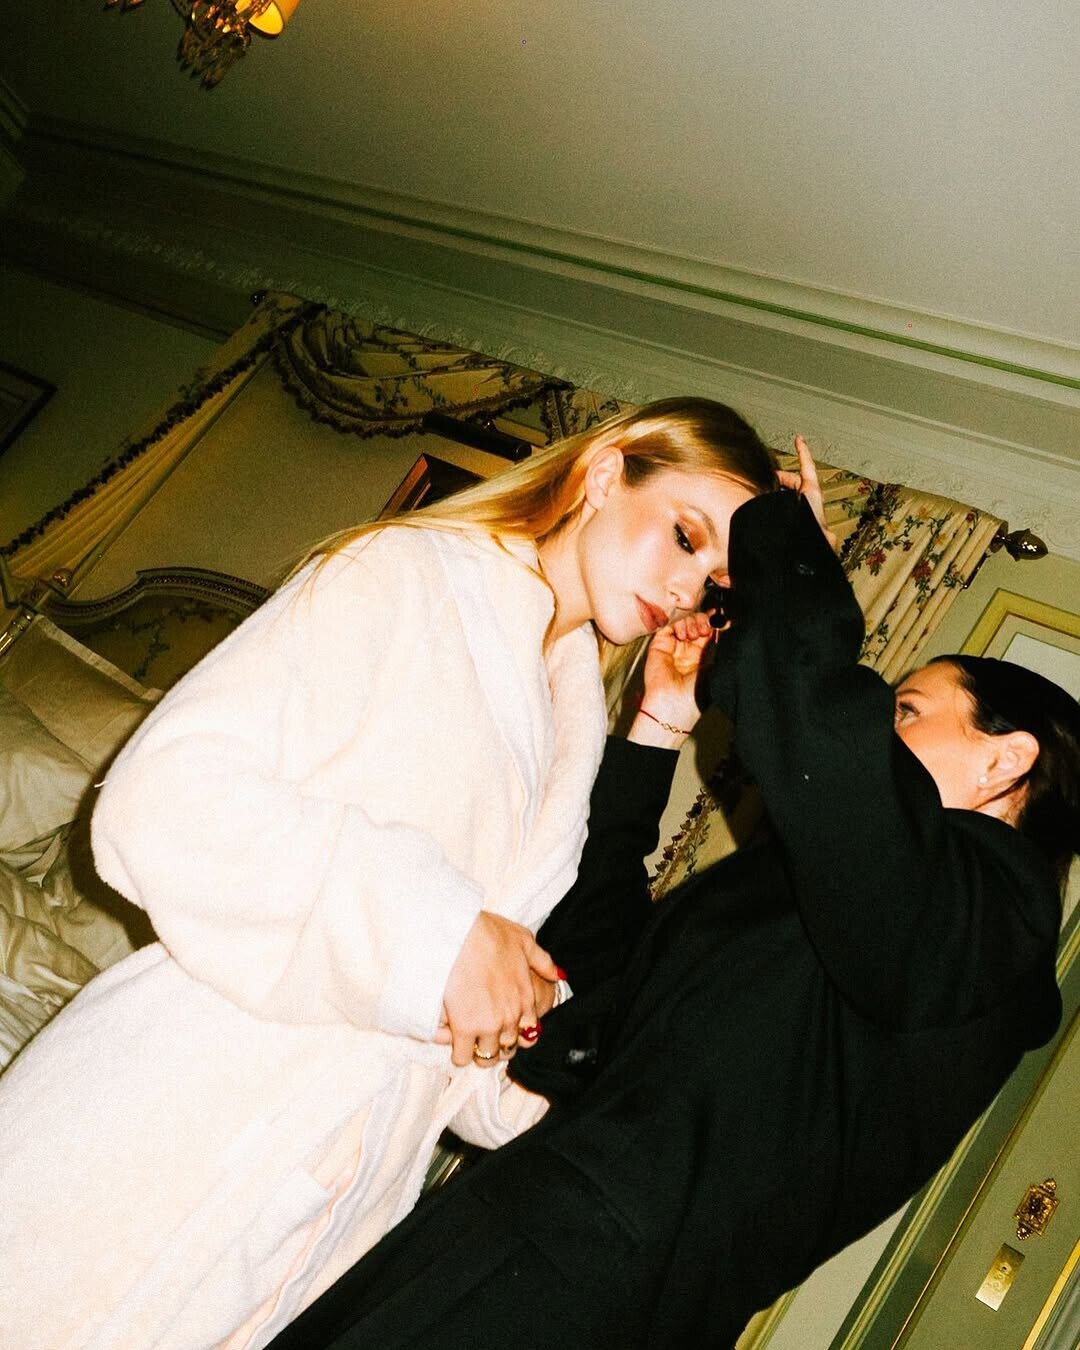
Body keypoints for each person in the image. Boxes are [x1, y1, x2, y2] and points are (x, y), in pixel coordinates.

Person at [0, 398, 779, 1350]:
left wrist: (553, 1084)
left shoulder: (566, 725)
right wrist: (436, 936)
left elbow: (470, 1012)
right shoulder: (410, 574)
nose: (690, 587)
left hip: (315, 1212)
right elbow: (160, 799)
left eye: (718, 580)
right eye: (686, 536)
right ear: (609, 472)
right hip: (166, 1125)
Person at [267, 480, 1078, 1350]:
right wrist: (658, 725)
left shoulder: (993, 928)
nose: (879, 722)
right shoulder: (853, 906)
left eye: (906, 711)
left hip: (589, 1278)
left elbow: (821, 726)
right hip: (532, 1226)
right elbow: (589, 971)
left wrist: (777, 540)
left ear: (1006, 761)